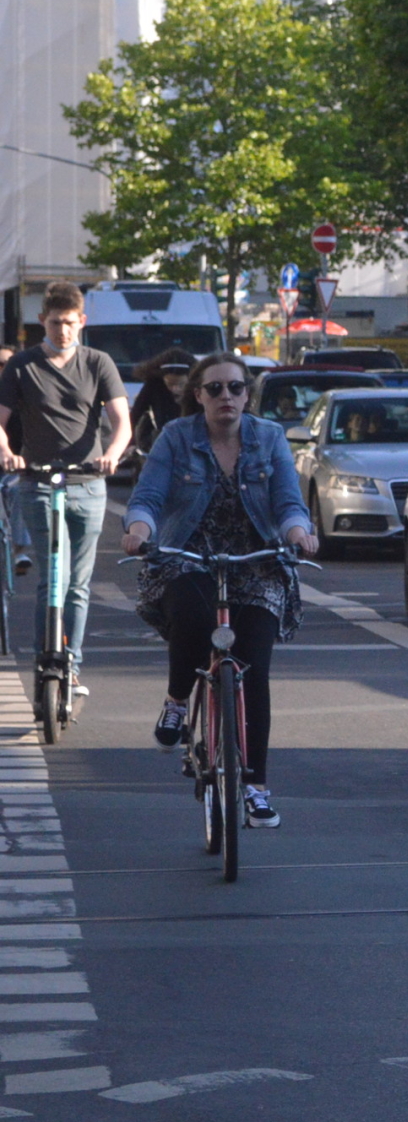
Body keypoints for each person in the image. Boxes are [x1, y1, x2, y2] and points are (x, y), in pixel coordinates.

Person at [120, 354, 319, 829]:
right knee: (191, 614)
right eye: (214, 389)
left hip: (257, 559)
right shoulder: (176, 437)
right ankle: (176, 700)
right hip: (188, 553)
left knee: (254, 666)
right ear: (198, 395)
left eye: (234, 388)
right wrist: (139, 529)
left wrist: (298, 533)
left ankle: (256, 786)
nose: (225, 397)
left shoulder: (268, 437)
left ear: (247, 395)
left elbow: (288, 500)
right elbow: (147, 496)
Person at [0, 282, 135, 701]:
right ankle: (47, 658)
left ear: (82, 322)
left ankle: (71, 663)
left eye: (70, 324)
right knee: (51, 580)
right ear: (43, 320)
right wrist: (7, 452)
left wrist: (112, 454)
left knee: (78, 583)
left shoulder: (98, 362)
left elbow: (121, 421)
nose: (63, 331)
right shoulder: (21, 366)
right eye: (56, 323)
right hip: (38, 481)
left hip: (88, 483)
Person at [130, 348, 194, 456]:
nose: (174, 389)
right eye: (170, 383)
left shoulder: (198, 388)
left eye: (180, 384)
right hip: (161, 441)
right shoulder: (154, 385)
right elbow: (136, 414)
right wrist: (130, 443)